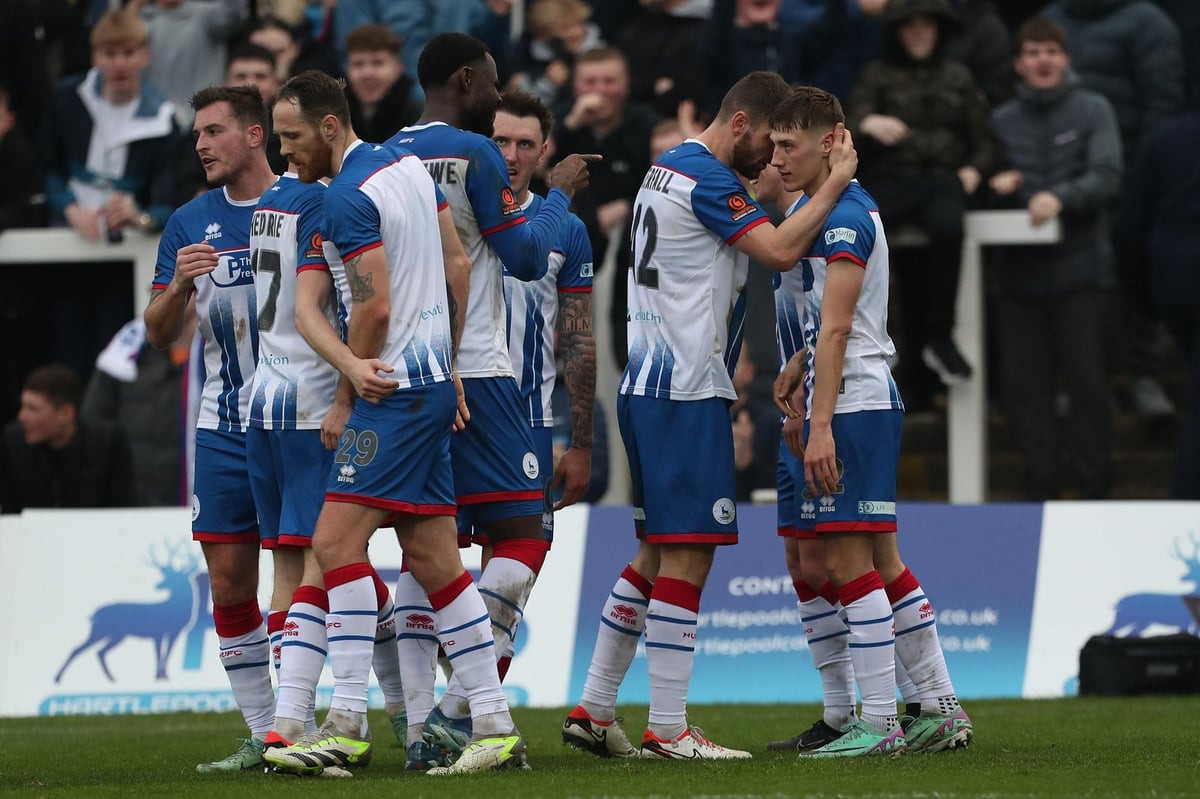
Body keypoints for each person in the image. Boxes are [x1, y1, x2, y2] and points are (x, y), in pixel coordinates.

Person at [561, 70, 857, 761]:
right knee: (687, 555)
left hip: (647, 384)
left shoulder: (668, 169)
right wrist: (835, 181)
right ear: (742, 122)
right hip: (684, 389)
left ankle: (596, 706)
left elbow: (737, 215)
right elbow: (781, 250)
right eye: (768, 143)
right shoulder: (709, 180)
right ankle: (668, 727)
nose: (773, 160)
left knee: (654, 551)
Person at [260, 68, 528, 776]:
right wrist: (451, 361)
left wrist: (353, 377)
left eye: (291, 139)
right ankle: (495, 725)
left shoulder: (348, 195)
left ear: (327, 126)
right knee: (437, 558)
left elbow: (373, 308)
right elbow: (458, 266)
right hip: (432, 379)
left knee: (334, 542)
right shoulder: (407, 168)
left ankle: (346, 722)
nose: (287, 156)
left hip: (394, 390)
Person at [384, 32, 597, 768]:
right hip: (477, 370)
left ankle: (420, 726)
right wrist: (561, 192)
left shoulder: (384, 155)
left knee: (425, 546)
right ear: (467, 80)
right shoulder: (473, 154)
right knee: (525, 538)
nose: (496, 102)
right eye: (493, 87)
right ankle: (454, 714)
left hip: (407, 372)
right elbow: (529, 256)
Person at [768, 86, 971, 756]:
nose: (778, 157)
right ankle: (939, 707)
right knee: (880, 559)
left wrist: (820, 421)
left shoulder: (847, 217)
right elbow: (827, 331)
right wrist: (799, 362)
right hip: (848, 395)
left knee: (851, 560)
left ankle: (880, 723)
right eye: (773, 145)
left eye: (789, 145)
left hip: (853, 403)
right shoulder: (829, 210)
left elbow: (840, 330)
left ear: (830, 140)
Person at [246, 162, 409, 763]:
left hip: (286, 404)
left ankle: (303, 718)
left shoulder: (277, 200)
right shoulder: (321, 202)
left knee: (311, 561)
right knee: (317, 558)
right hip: (301, 402)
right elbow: (342, 302)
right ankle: (330, 713)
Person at [143, 84, 279, 773]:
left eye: (214, 130)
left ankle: (365, 708)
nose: (200, 143)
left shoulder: (306, 204)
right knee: (229, 583)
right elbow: (159, 332)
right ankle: (267, 734)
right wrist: (177, 290)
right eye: (197, 132)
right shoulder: (190, 221)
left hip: (296, 421)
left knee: (321, 570)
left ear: (255, 135)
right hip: (223, 426)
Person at [988, 16, 1121, 500]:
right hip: (1016, 280)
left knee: (1087, 384)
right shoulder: (1000, 119)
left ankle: (1095, 488)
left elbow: (1108, 174)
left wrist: (1060, 197)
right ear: (1019, 64)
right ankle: (1038, 488)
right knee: (1025, 391)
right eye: (1033, 52)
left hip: (1081, 273)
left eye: (1051, 51)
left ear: (1065, 59)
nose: (1043, 60)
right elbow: (985, 177)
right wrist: (999, 188)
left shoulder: (1093, 108)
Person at [846, 0, 995, 403]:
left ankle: (940, 338)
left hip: (942, 182)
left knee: (949, 226)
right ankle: (868, 338)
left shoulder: (958, 77)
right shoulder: (875, 75)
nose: (918, 33)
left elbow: (984, 141)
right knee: (858, 231)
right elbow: (845, 132)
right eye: (909, 26)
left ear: (939, 30)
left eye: (926, 25)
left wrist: (974, 171)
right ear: (896, 32)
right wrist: (867, 123)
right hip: (889, 181)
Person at [40, 8, 180, 379]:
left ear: (144, 56)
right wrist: (68, 206)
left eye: (129, 53)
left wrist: (138, 216)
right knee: (66, 352)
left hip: (123, 257)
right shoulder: (68, 98)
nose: (120, 63)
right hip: (66, 245)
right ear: (94, 56)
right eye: (110, 53)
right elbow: (49, 166)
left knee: (112, 356)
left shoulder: (164, 120)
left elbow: (168, 202)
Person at [493, 89, 596, 518]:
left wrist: (581, 444)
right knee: (429, 560)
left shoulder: (567, 231)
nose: (511, 156)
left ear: (543, 153)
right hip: (456, 419)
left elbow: (578, 341)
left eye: (525, 145)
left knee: (523, 563)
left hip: (528, 418)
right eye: (500, 141)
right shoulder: (448, 217)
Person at [81, 312, 195, 507]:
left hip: (199, 505)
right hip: (130, 505)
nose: (176, 289)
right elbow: (93, 429)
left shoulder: (229, 348)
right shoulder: (125, 347)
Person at [0, 364, 134, 514]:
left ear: (66, 413)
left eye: (32, 409)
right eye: (22, 406)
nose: (21, 417)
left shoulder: (107, 443)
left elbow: (122, 509)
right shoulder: (13, 443)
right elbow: (7, 509)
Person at [135, 0, 249, 127]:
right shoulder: (139, 19)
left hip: (205, 122)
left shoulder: (208, 15)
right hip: (154, 124)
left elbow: (233, 11)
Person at [343, 23, 422, 142]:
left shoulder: (417, 117)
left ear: (398, 68)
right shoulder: (337, 116)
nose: (367, 73)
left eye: (378, 63)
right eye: (358, 64)